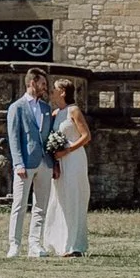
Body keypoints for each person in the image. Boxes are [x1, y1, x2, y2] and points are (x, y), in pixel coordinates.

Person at [3, 68, 54, 259]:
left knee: (41, 205)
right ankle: (14, 245)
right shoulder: (17, 107)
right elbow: (13, 137)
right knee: (19, 205)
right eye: (42, 83)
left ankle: (35, 244)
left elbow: (48, 137)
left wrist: (53, 163)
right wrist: (18, 163)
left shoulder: (46, 109)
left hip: (45, 163)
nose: (45, 87)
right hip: (25, 163)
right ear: (32, 83)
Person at [40, 76, 91, 257]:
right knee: (59, 199)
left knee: (73, 196)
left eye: (54, 89)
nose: (52, 92)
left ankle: (74, 245)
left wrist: (68, 149)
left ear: (62, 92)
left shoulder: (74, 111)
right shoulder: (55, 114)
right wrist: (55, 161)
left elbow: (86, 136)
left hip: (74, 159)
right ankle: (58, 241)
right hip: (60, 161)